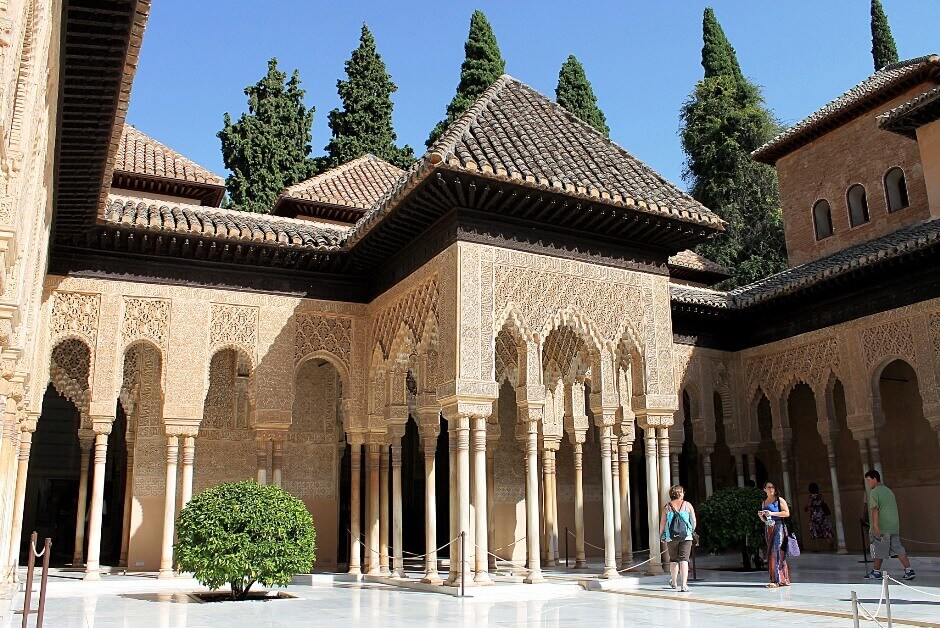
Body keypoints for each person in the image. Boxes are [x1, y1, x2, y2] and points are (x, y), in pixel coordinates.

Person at [864, 470, 915, 580]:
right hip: (893, 526)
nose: (868, 483)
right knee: (898, 548)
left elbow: (875, 509)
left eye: (868, 480)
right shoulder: (889, 491)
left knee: (876, 549)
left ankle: (876, 571)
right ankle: (909, 569)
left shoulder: (874, 492)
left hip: (881, 527)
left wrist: (875, 526)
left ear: (874, 479)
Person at [659, 484, 696, 592]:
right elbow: (693, 521)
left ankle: (674, 582)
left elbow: (662, 523)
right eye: (682, 492)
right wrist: (691, 530)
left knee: (673, 560)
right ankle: (684, 585)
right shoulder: (687, 505)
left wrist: (662, 535)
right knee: (684, 559)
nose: (684, 494)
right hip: (686, 536)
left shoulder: (667, 507)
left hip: (671, 537)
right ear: (680, 493)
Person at [758, 481, 790, 588]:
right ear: (765, 489)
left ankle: (778, 580)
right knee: (771, 552)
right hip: (769, 527)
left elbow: (786, 513)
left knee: (777, 552)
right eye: (769, 487)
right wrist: (761, 516)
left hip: (779, 527)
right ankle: (777, 578)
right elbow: (765, 520)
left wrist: (772, 513)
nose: (771, 489)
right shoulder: (764, 503)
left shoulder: (779, 500)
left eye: (773, 487)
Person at [805, 482, 834, 552]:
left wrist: (806, 507)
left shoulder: (811, 496)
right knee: (824, 528)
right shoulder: (820, 496)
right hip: (821, 514)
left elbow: (809, 504)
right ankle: (829, 542)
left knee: (814, 530)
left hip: (814, 515)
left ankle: (817, 548)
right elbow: (822, 502)